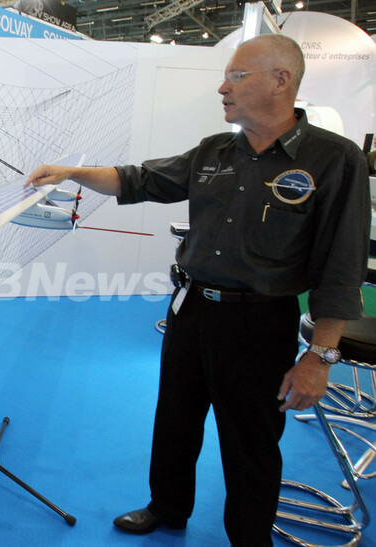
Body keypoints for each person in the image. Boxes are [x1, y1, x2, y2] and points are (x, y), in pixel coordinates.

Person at [26, 34, 370, 545]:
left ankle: (248, 537)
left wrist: (319, 358)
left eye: (236, 77)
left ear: (281, 81)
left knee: (251, 441)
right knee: (175, 419)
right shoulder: (214, 151)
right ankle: (166, 506)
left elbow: (341, 267)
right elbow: (140, 179)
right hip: (190, 310)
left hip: (260, 322)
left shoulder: (334, 159)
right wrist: (72, 173)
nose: (222, 88)